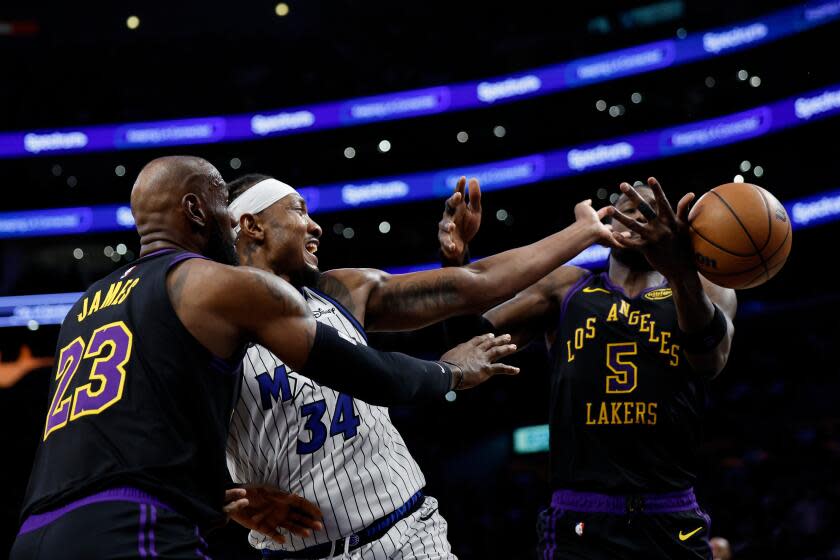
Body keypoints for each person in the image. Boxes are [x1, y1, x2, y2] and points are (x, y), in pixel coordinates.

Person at [9, 156, 520, 560]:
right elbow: (370, 374)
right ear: (200, 212)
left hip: (37, 522)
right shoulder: (211, 293)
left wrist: (224, 496)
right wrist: (450, 372)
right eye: (221, 207)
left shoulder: (87, 307)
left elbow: (141, 420)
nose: (227, 221)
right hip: (135, 524)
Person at [222, 173, 621, 559]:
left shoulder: (340, 291)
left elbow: (478, 281)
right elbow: (182, 456)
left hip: (410, 535)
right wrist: (225, 500)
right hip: (301, 554)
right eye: (298, 211)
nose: (315, 226)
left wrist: (583, 231)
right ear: (253, 226)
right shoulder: (212, 330)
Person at [476, 178, 737, 559]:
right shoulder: (566, 288)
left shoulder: (705, 288)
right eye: (627, 210)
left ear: (670, 226)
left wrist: (680, 270)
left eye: (649, 211)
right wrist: (455, 262)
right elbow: (471, 336)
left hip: (669, 512)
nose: (637, 217)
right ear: (609, 225)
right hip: (580, 516)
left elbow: (710, 360)